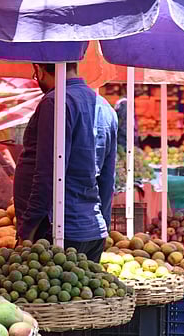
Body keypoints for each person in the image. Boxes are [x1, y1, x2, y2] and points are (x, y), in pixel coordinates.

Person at [14, 62, 118, 262]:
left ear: (39, 70)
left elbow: (48, 173)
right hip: (91, 230)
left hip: (58, 232)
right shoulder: (105, 106)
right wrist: (103, 226)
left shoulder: (56, 102)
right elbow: (107, 178)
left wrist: (27, 230)